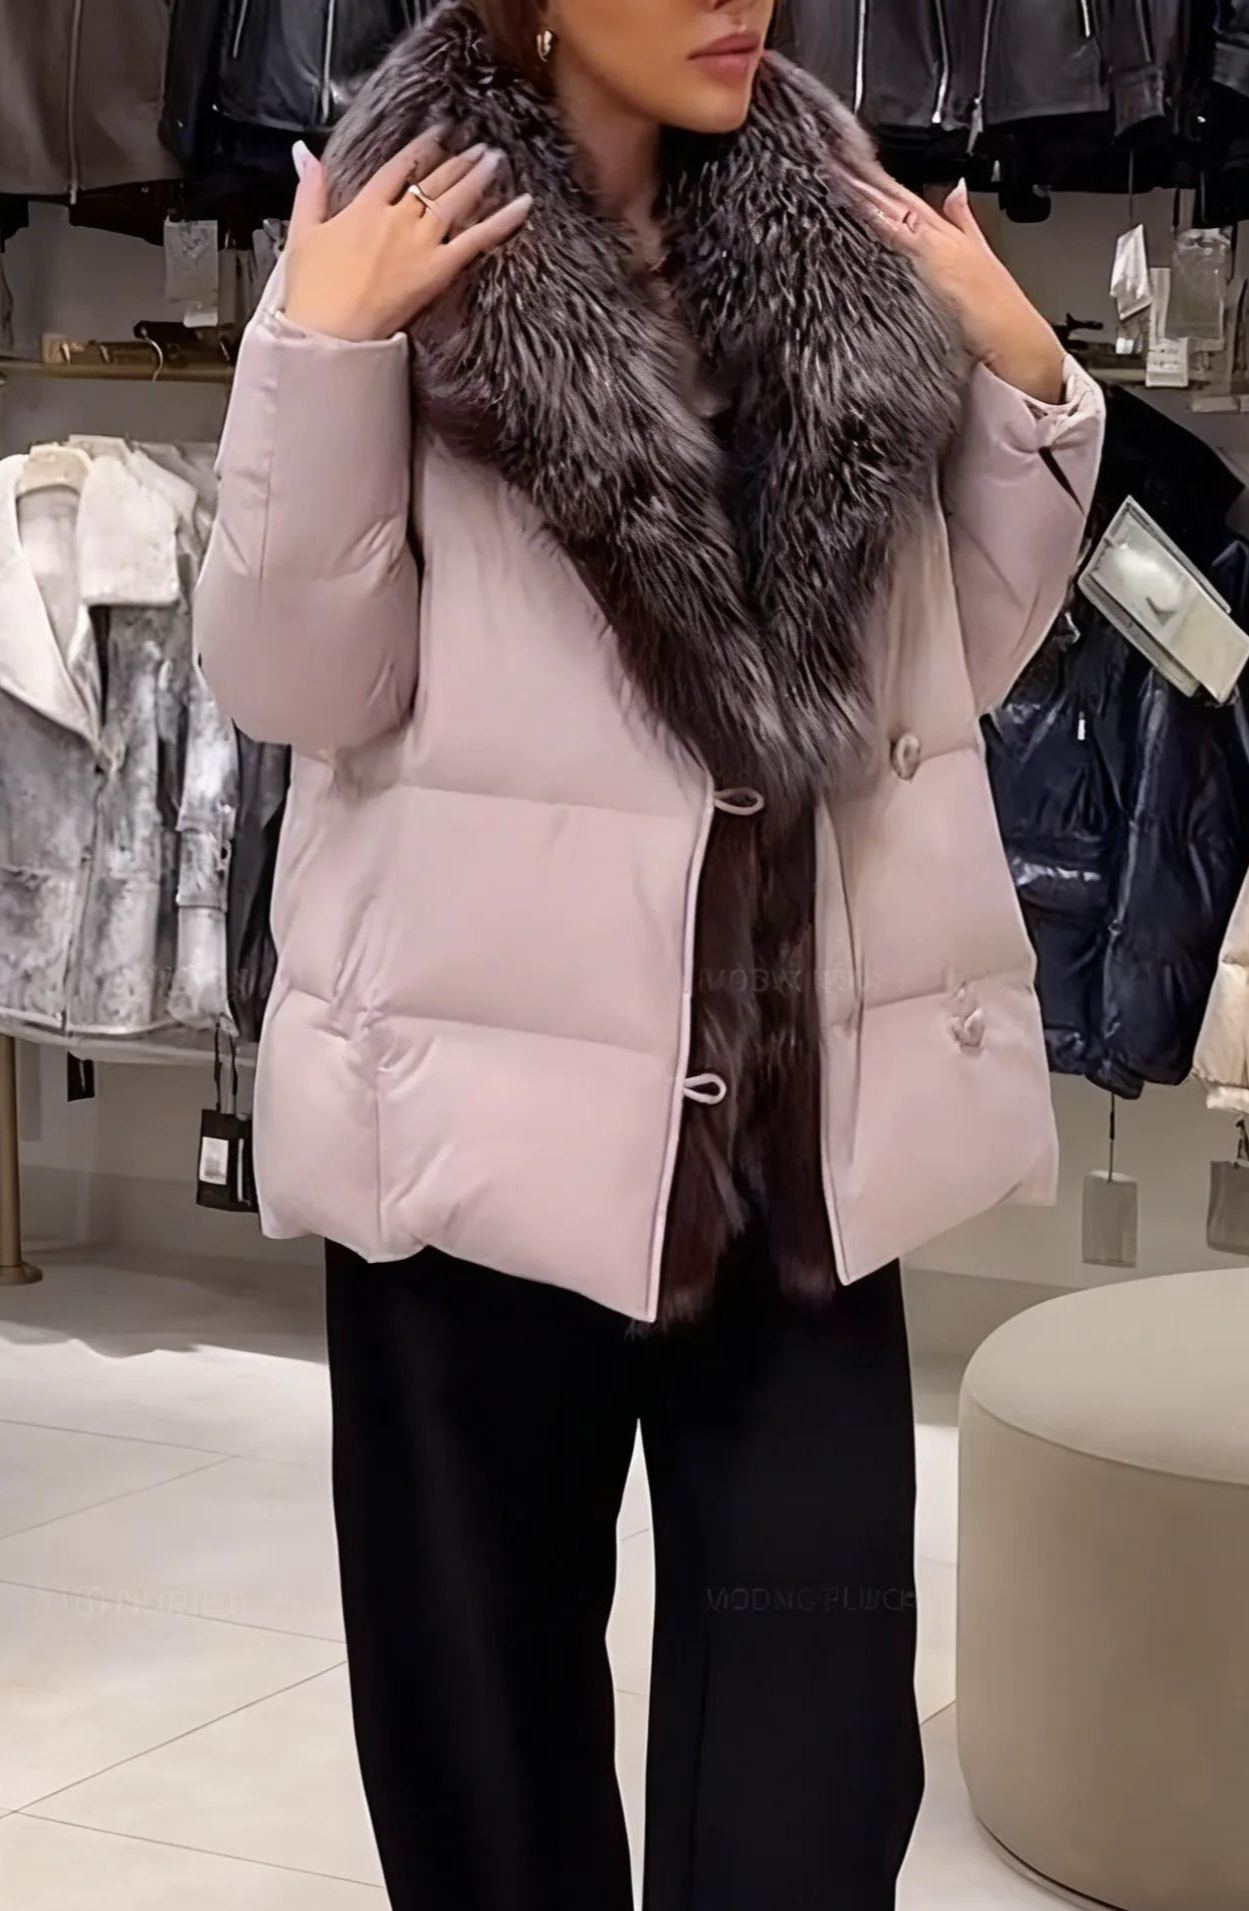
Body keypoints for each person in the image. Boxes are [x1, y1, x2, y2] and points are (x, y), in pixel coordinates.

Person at [195, 2, 1104, 1904]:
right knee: (485, 1772)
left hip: (787, 1155)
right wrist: (318, 359)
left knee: (807, 1782)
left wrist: (1029, 398)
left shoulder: (848, 241)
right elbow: (297, 687)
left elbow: (941, 674)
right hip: (475, 1136)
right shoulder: (393, 236)